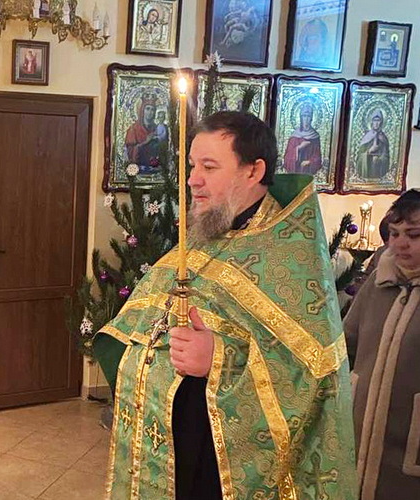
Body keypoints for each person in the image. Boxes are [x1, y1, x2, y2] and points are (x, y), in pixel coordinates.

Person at [94, 111, 357, 499]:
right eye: (192, 165)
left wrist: (220, 359)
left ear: (253, 171)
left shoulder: (290, 256)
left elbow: (313, 375)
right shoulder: (210, 232)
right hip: (164, 448)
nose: (192, 179)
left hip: (221, 469)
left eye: (209, 166)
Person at [345, 189, 420, 500]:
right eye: (394, 233)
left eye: (414, 235)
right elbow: (345, 345)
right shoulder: (378, 285)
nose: (400, 243)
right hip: (359, 431)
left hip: (409, 442)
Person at [124, 94, 164, 172]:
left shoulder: (157, 128)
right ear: (142, 111)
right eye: (147, 109)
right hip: (138, 168)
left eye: (152, 110)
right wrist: (146, 142)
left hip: (154, 168)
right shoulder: (133, 129)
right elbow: (130, 152)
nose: (150, 112)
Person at [283, 102, 323, 175]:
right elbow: (287, 159)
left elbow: (318, 158)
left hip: (308, 173)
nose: (306, 119)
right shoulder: (294, 136)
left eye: (308, 116)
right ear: (301, 118)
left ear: (311, 118)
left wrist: (309, 161)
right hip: (295, 175)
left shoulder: (315, 136)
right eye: (304, 116)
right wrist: (299, 148)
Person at [356, 109, 391, 180]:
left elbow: (386, 157)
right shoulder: (367, 137)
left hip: (378, 171)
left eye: (378, 121)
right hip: (367, 170)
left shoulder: (383, 138)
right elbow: (359, 157)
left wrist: (379, 159)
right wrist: (369, 151)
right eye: (375, 120)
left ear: (381, 122)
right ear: (371, 121)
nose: (376, 123)